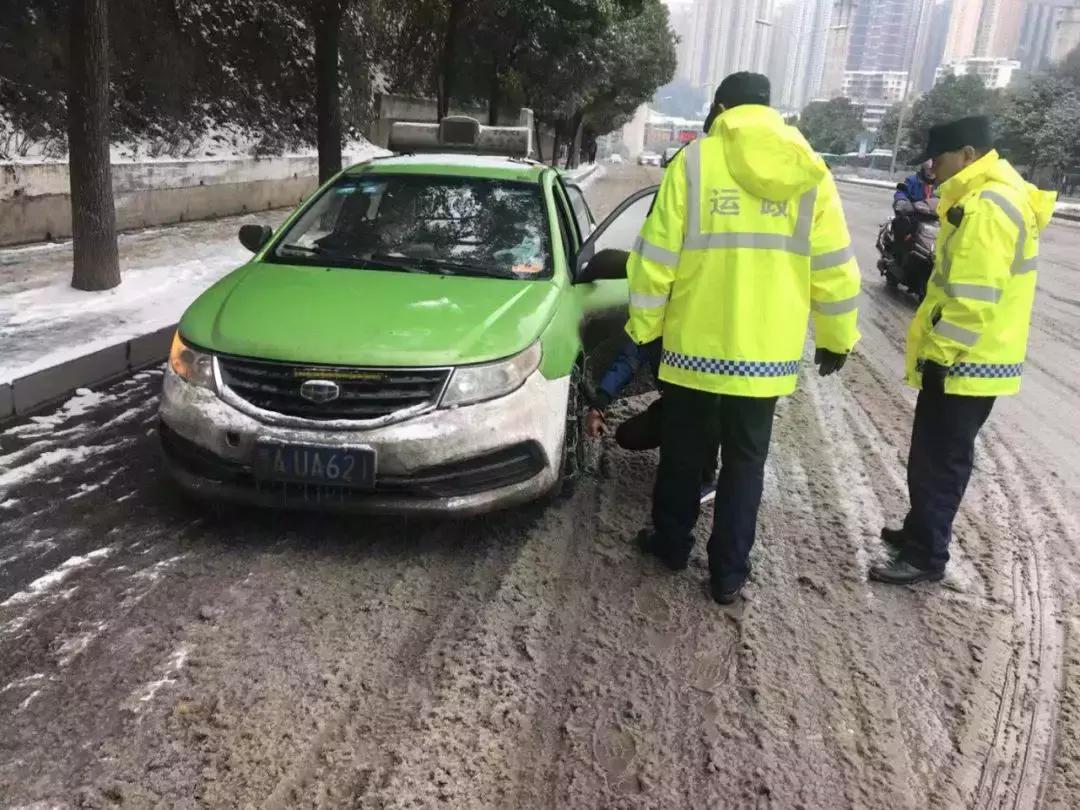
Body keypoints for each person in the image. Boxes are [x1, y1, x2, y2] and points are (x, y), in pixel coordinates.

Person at [626, 72, 861, 605]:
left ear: (722, 107)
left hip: (693, 352)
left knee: (684, 456)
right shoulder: (810, 170)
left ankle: (669, 544)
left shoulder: (695, 162)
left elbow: (654, 260)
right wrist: (836, 337)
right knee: (745, 465)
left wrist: (644, 328)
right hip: (765, 361)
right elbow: (835, 268)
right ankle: (728, 574)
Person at [872, 116, 1056, 585]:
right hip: (971, 359)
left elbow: (974, 299)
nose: (934, 167)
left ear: (970, 155)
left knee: (940, 459)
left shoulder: (989, 207)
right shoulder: (986, 197)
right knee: (932, 452)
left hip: (965, 361)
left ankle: (926, 554)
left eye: (941, 156)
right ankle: (919, 531)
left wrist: (942, 353)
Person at [585, 338, 719, 503]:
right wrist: (599, 403)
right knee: (628, 435)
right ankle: (679, 446)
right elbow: (628, 360)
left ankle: (706, 478)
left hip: (716, 400)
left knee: (709, 413)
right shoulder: (657, 325)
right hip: (675, 401)